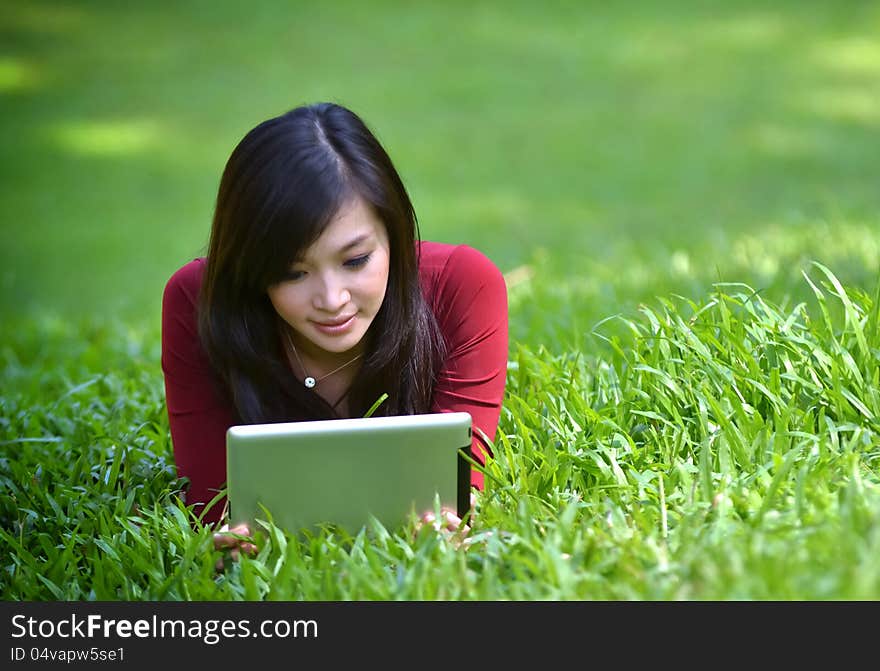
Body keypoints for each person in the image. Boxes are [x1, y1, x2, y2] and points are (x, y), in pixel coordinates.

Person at [161, 102, 508, 557]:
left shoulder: (462, 285)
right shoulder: (198, 300)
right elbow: (211, 510)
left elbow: (455, 500)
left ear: (395, 233)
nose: (331, 299)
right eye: (292, 272)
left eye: (355, 260)